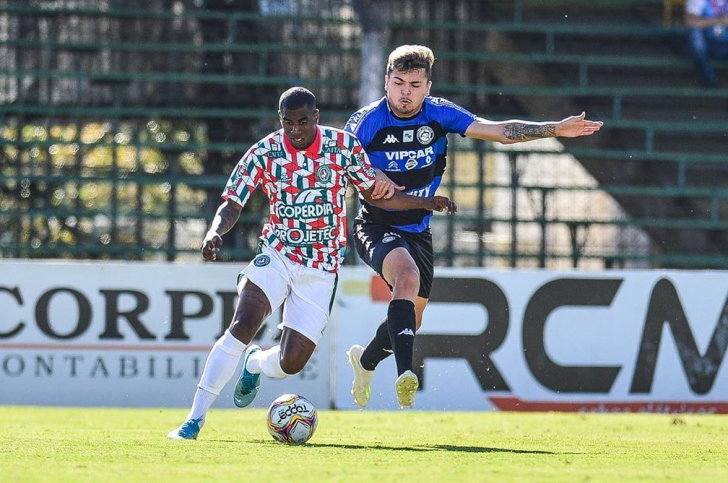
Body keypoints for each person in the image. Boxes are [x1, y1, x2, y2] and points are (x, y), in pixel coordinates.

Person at [167, 86, 456, 440]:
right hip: (277, 254)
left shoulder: (343, 147)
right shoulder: (265, 152)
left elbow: (379, 196)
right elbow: (233, 201)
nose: (295, 130)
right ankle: (193, 420)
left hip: (320, 268)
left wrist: (423, 203)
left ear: (316, 118)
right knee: (243, 323)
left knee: (291, 363)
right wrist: (215, 232)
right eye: (288, 123)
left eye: (303, 121)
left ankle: (256, 363)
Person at [344, 44, 603, 409]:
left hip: (418, 229)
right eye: (398, 82)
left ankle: (365, 362)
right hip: (374, 224)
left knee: (411, 316)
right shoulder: (365, 122)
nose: (405, 92)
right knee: (406, 277)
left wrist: (554, 130)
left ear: (428, 86)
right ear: (386, 82)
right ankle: (406, 373)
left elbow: (498, 131)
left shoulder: (439, 114)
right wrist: (369, 173)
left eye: (415, 84)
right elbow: (343, 162)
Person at [685, 0, 728, 88]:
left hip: (725, 44)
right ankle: (708, 78)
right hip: (707, 44)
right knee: (695, 33)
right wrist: (718, 21)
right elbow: (690, 21)